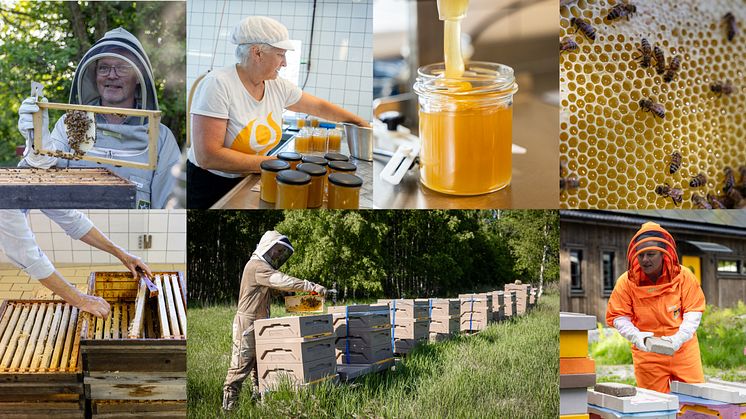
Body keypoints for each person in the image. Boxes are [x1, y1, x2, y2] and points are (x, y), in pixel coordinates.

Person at [187, 16, 370, 208]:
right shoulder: (218, 84)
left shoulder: (277, 86)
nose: (285, 63)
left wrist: (360, 122)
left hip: (250, 176)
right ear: (257, 53)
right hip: (210, 187)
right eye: (280, 55)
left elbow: (318, 107)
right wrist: (274, 163)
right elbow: (207, 156)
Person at [17, 27, 181, 209]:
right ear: (95, 76)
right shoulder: (68, 125)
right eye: (104, 68)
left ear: (138, 76)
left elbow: (169, 209)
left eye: (122, 67)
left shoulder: (162, 138)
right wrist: (36, 145)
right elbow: (38, 189)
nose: (112, 75)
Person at [222, 230, 327, 411]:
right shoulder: (256, 266)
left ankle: (258, 404)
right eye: (277, 250)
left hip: (260, 323)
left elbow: (274, 287)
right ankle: (229, 408)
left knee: (261, 365)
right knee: (240, 366)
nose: (278, 254)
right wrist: (310, 287)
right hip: (246, 324)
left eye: (280, 252)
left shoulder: (262, 268)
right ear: (267, 247)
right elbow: (281, 280)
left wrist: (291, 295)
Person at [606, 222, 706, 393]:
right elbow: (618, 316)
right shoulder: (626, 282)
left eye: (651, 254)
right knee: (653, 404)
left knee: (694, 400)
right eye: (641, 255)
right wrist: (636, 336)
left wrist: (679, 338)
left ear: (663, 254)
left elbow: (693, 311)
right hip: (648, 353)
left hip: (683, 351)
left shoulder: (684, 276)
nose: (645, 260)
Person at [0, 209, 152, 318]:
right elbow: (29, 257)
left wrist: (122, 254)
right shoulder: (6, 206)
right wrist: (80, 299)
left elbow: (73, 220)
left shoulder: (36, 180)